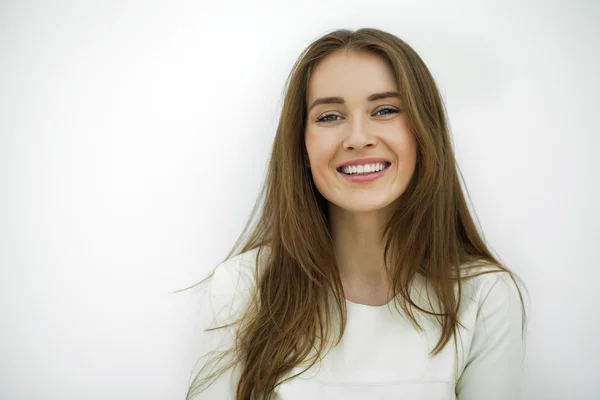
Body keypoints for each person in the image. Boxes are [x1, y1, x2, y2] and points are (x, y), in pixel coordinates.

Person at [183, 27, 527, 400]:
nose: (358, 137)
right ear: (301, 146)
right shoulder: (240, 289)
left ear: (425, 134)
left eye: (385, 110)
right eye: (330, 116)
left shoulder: (485, 295)